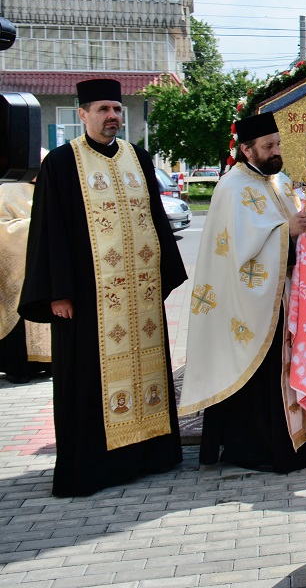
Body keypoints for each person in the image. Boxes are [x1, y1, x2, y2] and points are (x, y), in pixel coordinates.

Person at [19, 79, 186, 497]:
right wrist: (57, 292)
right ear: (82, 115)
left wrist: (164, 273)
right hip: (87, 300)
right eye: (102, 110)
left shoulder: (139, 158)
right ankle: (93, 468)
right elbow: (48, 233)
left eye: (116, 109)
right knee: (87, 381)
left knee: (147, 371)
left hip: (139, 296)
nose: (112, 116)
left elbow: (155, 220)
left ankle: (149, 454)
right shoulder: (61, 164)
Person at [180, 112, 306, 473]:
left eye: (278, 144)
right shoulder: (231, 187)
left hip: (283, 294)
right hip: (247, 302)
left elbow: (290, 227)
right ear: (247, 149)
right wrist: (289, 230)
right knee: (261, 376)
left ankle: (298, 441)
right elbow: (238, 248)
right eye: (268, 147)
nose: (276, 151)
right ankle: (262, 449)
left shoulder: (280, 182)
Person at [0, 171, 51, 383]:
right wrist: (35, 227)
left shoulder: (49, 191)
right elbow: (3, 229)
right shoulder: (7, 190)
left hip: (43, 269)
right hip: (16, 273)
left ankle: (45, 363)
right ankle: (18, 367)